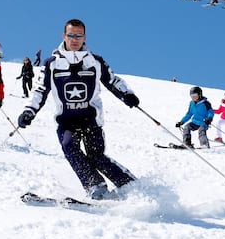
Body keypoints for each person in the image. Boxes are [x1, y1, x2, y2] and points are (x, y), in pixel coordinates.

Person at [17, 19, 141, 200]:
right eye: (71, 35)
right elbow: (40, 89)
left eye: (79, 35)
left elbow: (112, 80)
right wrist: (29, 111)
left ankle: (131, 186)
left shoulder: (95, 61)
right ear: (64, 36)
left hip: (90, 118)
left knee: (97, 156)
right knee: (69, 146)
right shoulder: (52, 63)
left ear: (85, 37)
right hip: (66, 120)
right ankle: (95, 187)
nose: (75, 39)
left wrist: (126, 94)